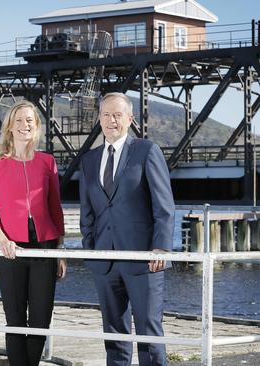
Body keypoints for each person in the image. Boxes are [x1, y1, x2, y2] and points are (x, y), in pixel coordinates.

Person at [79, 92, 175, 366]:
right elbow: (88, 213)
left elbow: (164, 206)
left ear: (130, 119)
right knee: (114, 336)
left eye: (117, 115)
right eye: (106, 115)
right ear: (99, 119)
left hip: (144, 260)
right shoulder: (89, 160)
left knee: (149, 334)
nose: (111, 120)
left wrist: (162, 247)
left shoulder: (146, 151)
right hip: (104, 261)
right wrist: (90, 249)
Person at [0, 100, 67, 366]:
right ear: (9, 127)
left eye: (29, 120)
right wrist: (2, 239)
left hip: (45, 247)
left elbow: (56, 209)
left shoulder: (47, 162)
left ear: (37, 126)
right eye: (18, 120)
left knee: (40, 319)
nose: (24, 125)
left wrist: (61, 251)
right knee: (15, 320)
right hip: (10, 250)